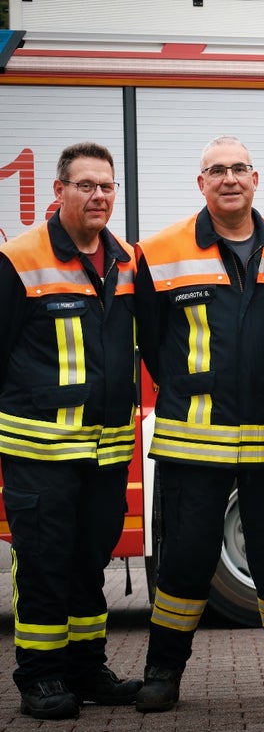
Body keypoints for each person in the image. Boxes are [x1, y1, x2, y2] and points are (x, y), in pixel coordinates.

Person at [132, 136, 264, 712]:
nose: (229, 178)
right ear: (201, 183)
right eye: (217, 170)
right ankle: (163, 673)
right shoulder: (159, 252)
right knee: (185, 561)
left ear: (255, 179)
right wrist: (190, 391)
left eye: (239, 169)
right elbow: (152, 342)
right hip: (193, 441)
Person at [0, 142, 142, 720]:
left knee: (91, 561)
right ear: (59, 191)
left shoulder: (126, 260)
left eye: (106, 186)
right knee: (43, 561)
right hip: (40, 452)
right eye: (85, 185)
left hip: (106, 453)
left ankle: (87, 668)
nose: (98, 195)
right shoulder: (20, 259)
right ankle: (38, 675)